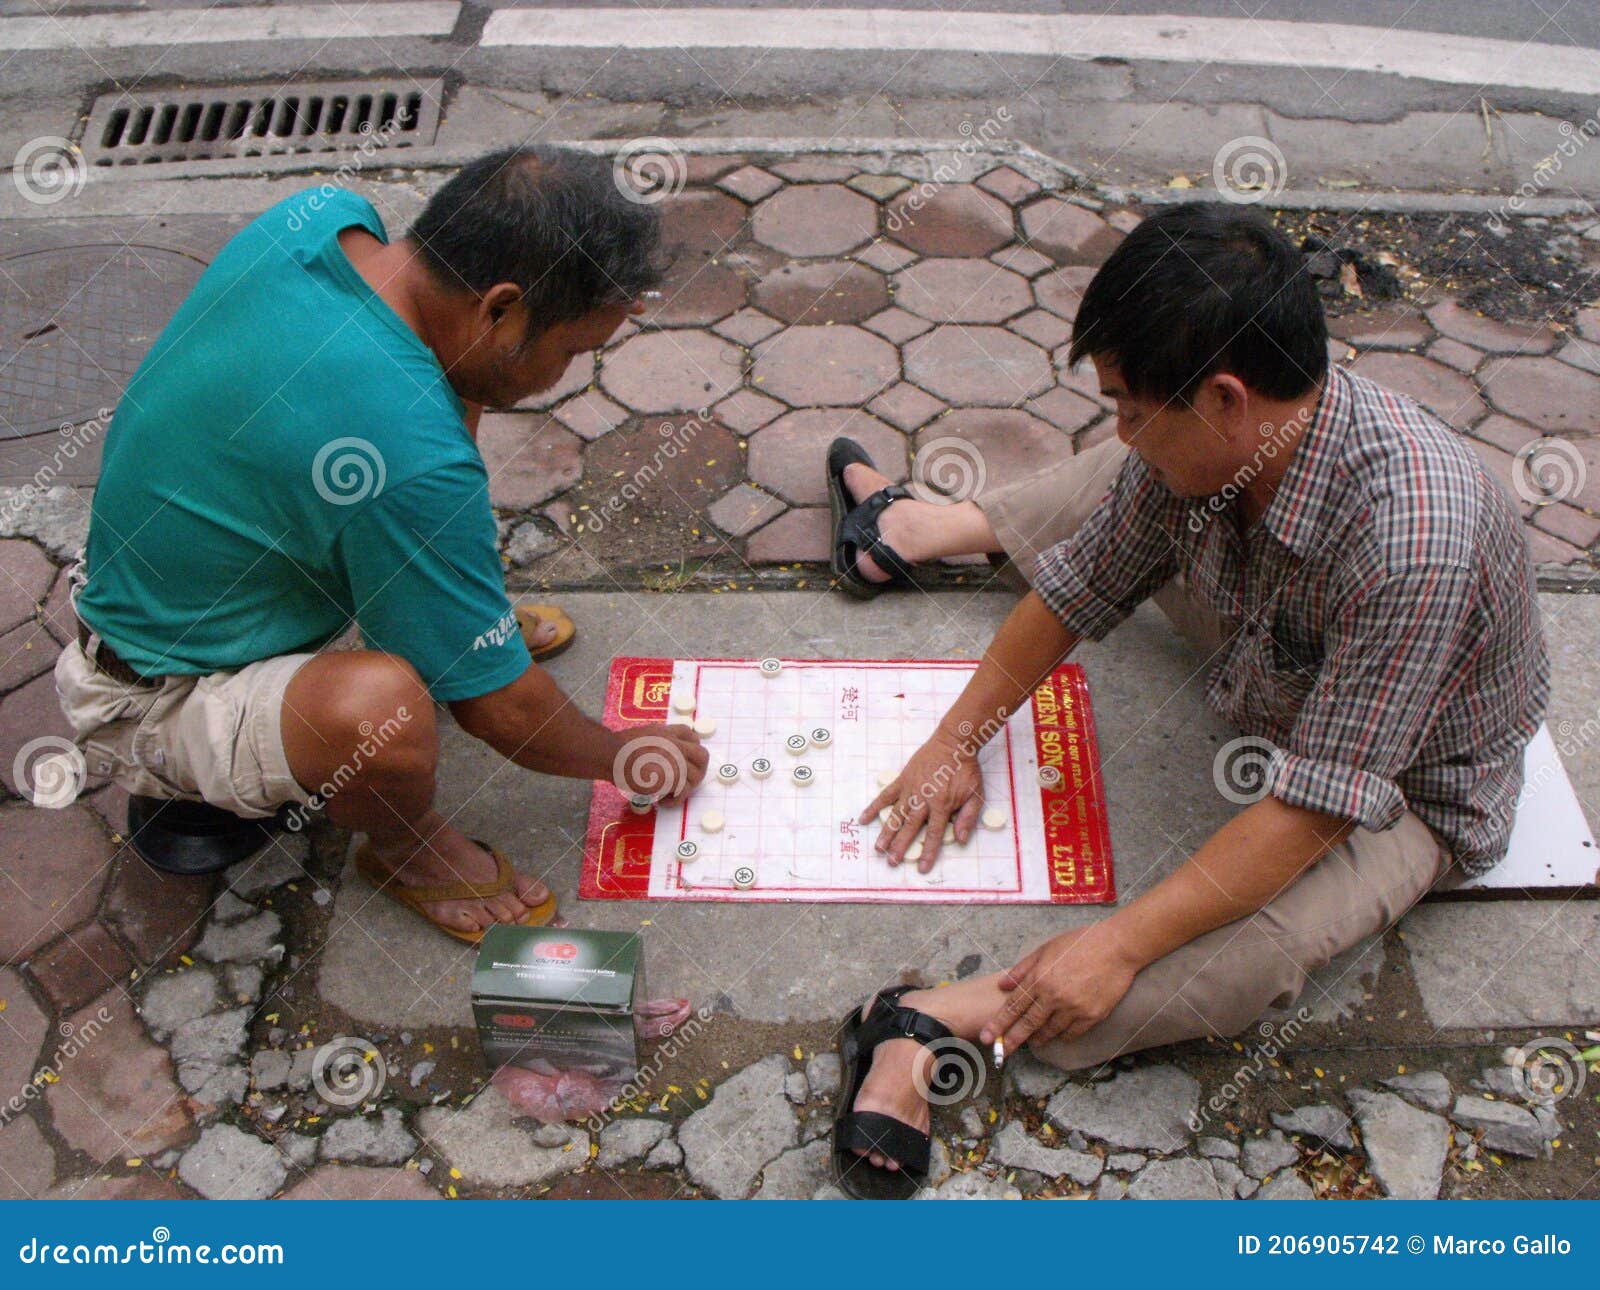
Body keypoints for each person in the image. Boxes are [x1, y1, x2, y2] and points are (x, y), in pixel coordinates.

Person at [824, 201, 1549, 1198]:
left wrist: (1115, 946)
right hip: (1262, 647)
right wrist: (957, 740)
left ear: (1225, 398)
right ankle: (919, 529)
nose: (1116, 422)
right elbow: (1078, 588)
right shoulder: (1216, 440)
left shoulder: (1412, 540)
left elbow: (1308, 813)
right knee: (1120, 483)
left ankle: (918, 1017)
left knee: (1223, 970)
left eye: (1128, 401)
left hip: (1404, 784)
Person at [57, 146, 707, 941]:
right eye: (572, 350)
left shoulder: (320, 218)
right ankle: (403, 848)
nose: (569, 373)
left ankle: (456, 627)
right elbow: (501, 713)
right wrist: (618, 755)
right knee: (387, 714)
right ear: (499, 308)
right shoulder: (404, 451)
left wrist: (472, 636)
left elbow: (415, 406)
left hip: (214, 578)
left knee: (449, 403)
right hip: (153, 689)